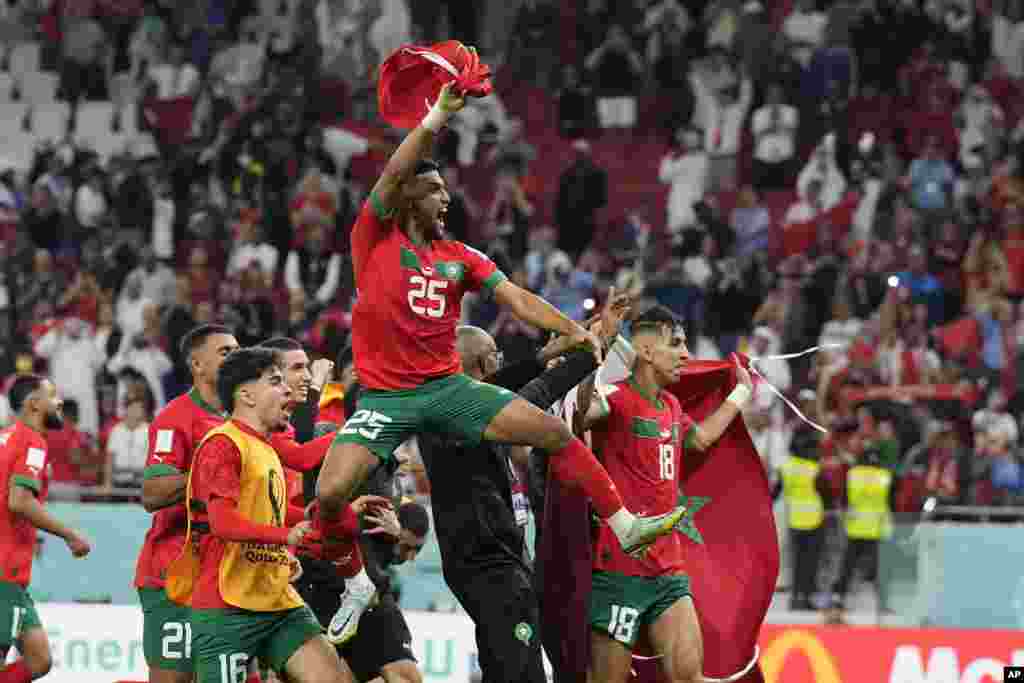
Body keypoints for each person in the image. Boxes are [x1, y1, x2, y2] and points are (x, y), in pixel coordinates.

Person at [315, 79, 687, 645]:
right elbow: (392, 172)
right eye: (435, 190)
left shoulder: (460, 257)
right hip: (387, 398)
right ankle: (357, 583)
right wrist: (439, 112)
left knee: (552, 434)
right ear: (409, 196)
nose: (446, 199)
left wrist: (573, 331)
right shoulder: (374, 238)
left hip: (445, 388)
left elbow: (515, 298)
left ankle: (626, 523)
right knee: (328, 496)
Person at [417, 289, 631, 683]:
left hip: (501, 561)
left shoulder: (457, 413)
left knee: (507, 669)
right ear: (482, 365)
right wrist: (591, 350)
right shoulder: (452, 416)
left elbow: (519, 384)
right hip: (490, 566)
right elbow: (534, 393)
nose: (501, 361)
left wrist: (566, 349)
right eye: (496, 355)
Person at [165, 347, 382, 683]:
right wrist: (286, 537)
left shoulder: (266, 446)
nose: (286, 390)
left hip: (277, 599)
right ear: (246, 394)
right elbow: (223, 523)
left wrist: (312, 520)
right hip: (226, 606)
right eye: (276, 381)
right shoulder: (222, 444)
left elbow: (270, 513)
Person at [573, 305, 754, 683]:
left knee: (689, 678)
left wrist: (740, 394)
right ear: (646, 351)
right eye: (677, 344)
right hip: (619, 571)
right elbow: (577, 418)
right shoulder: (616, 399)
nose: (686, 354)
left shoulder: (671, 405)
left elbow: (701, 440)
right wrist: (596, 350)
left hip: (668, 571)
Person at [135, 324, 239, 683]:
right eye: (225, 351)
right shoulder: (175, 417)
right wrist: (210, 473)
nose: (236, 356)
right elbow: (153, 493)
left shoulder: (242, 419)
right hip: (175, 572)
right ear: (197, 364)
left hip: (227, 574)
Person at [0, 375, 92, 683]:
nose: (60, 402)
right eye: (53, 395)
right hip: (3, 572)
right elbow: (19, 501)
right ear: (34, 403)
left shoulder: (6, 437)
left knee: (39, 659)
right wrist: (70, 534)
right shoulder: (32, 442)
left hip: (11, 574)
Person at [295, 497, 429, 683]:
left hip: (357, 601)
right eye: (407, 547)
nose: (412, 557)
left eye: (418, 549)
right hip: (330, 598)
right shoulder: (367, 511)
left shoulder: (393, 505)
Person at [779, 425, 830, 610]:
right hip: (814, 520)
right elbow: (826, 493)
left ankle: (794, 599)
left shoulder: (786, 467)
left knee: (797, 563)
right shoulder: (814, 469)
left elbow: (775, 490)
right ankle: (806, 598)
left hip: (794, 519)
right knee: (810, 563)